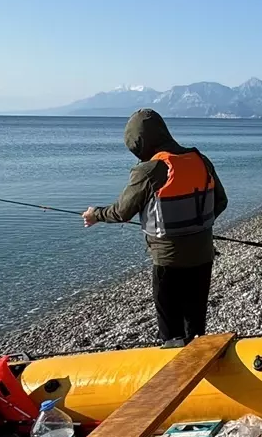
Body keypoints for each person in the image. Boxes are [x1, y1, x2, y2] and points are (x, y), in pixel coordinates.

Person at [83, 108, 228, 344]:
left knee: (170, 331)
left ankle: (176, 369)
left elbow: (122, 211)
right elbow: (220, 202)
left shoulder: (148, 170)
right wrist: (196, 227)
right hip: (203, 255)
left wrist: (95, 214)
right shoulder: (201, 161)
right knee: (196, 325)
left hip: (167, 262)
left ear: (138, 142)